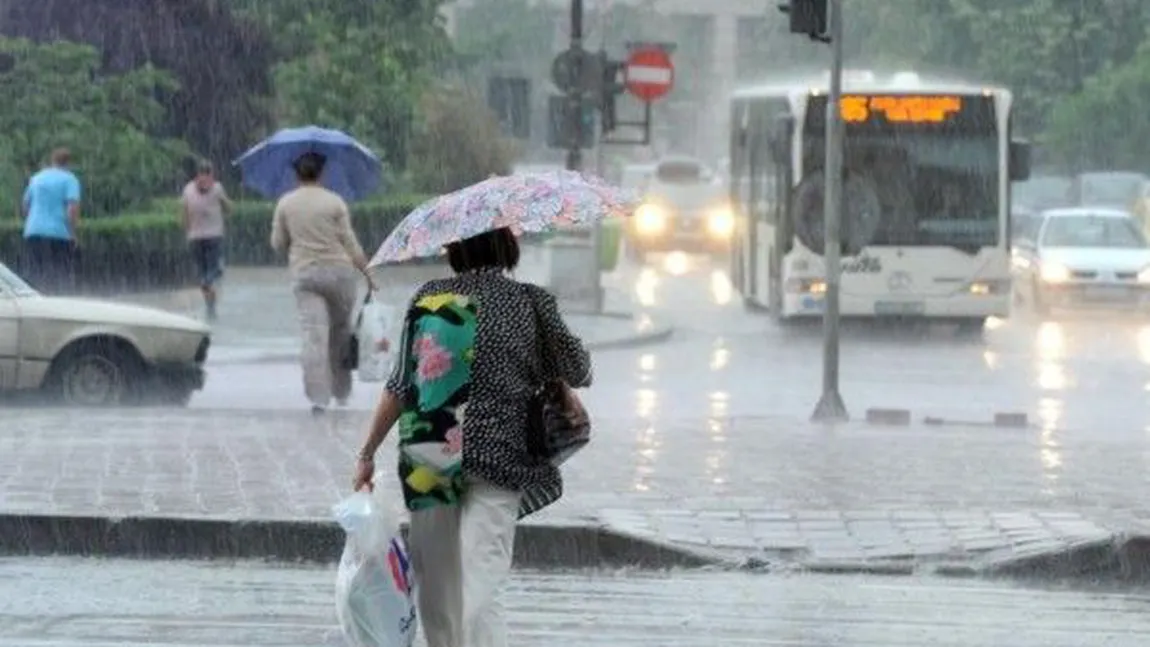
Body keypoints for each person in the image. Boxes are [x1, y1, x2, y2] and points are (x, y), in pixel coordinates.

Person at [352, 227, 592, 647]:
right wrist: (555, 372)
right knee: (480, 582)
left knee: (439, 590)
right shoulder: (531, 302)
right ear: (508, 248)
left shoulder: (431, 297)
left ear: (455, 250)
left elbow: (399, 386)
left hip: (429, 453)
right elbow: (579, 368)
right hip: (498, 457)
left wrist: (367, 452)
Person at [271, 152, 375, 414]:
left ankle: (319, 398)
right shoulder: (335, 202)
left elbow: (278, 244)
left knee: (313, 336)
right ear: (322, 173)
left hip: (306, 275)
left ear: (296, 174)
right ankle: (341, 392)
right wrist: (368, 273)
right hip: (340, 274)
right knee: (340, 334)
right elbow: (349, 242)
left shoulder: (286, 203)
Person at [21, 148, 81, 294]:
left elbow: (25, 205)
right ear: (68, 163)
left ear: (52, 160)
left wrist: (32, 221)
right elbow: (72, 209)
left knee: (35, 270)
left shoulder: (36, 178)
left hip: (34, 231)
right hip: (59, 233)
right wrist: (73, 233)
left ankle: (36, 300)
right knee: (60, 271)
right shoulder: (70, 179)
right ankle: (57, 300)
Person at [182, 161, 232, 321]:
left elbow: (229, 208)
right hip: (205, 238)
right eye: (204, 177)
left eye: (208, 178)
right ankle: (210, 306)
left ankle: (211, 304)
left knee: (206, 275)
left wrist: (188, 231)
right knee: (207, 276)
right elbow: (185, 214)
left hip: (204, 238)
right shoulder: (199, 189)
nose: (205, 181)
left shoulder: (209, 189)